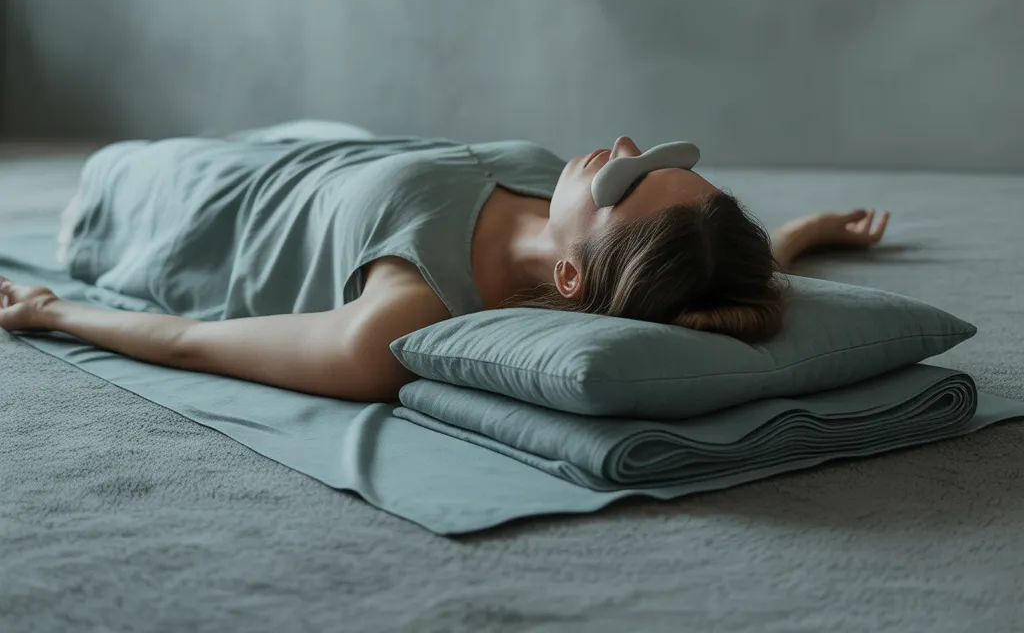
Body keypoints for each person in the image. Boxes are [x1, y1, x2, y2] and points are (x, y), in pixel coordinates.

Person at [0, 122, 889, 402]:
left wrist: (54, 313)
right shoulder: (642, 258)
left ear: (572, 281)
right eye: (660, 163)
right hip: (325, 144)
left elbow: (193, 343)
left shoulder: (401, 315)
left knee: (108, 161)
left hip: (183, 203)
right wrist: (798, 237)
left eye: (627, 177)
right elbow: (682, 277)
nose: (623, 142)